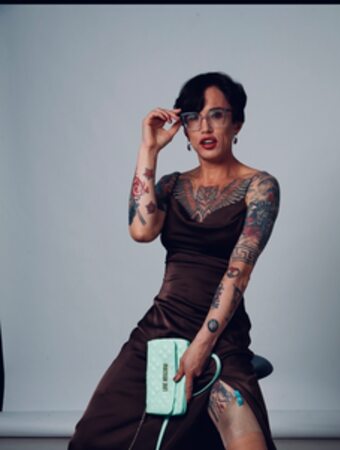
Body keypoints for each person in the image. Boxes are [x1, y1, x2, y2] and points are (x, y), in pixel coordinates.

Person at [68, 72, 280, 450]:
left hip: (220, 334)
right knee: (93, 438)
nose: (205, 127)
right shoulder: (170, 185)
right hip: (161, 328)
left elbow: (239, 273)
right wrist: (149, 148)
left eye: (217, 115)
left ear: (237, 123)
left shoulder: (260, 186)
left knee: (245, 438)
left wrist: (201, 346)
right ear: (184, 128)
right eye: (193, 117)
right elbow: (141, 230)